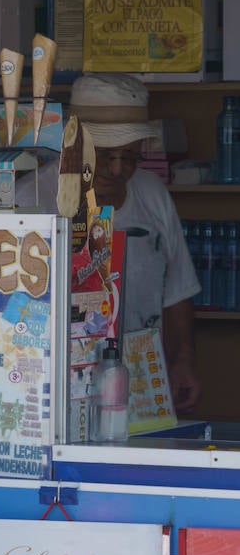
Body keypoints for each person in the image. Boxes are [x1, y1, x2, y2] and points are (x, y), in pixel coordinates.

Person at [18, 72, 202, 412]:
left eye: (129, 157)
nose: (118, 170)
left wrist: (183, 359)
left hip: (143, 380)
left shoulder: (152, 193)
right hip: (55, 385)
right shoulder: (32, 196)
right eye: (104, 156)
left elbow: (177, 289)